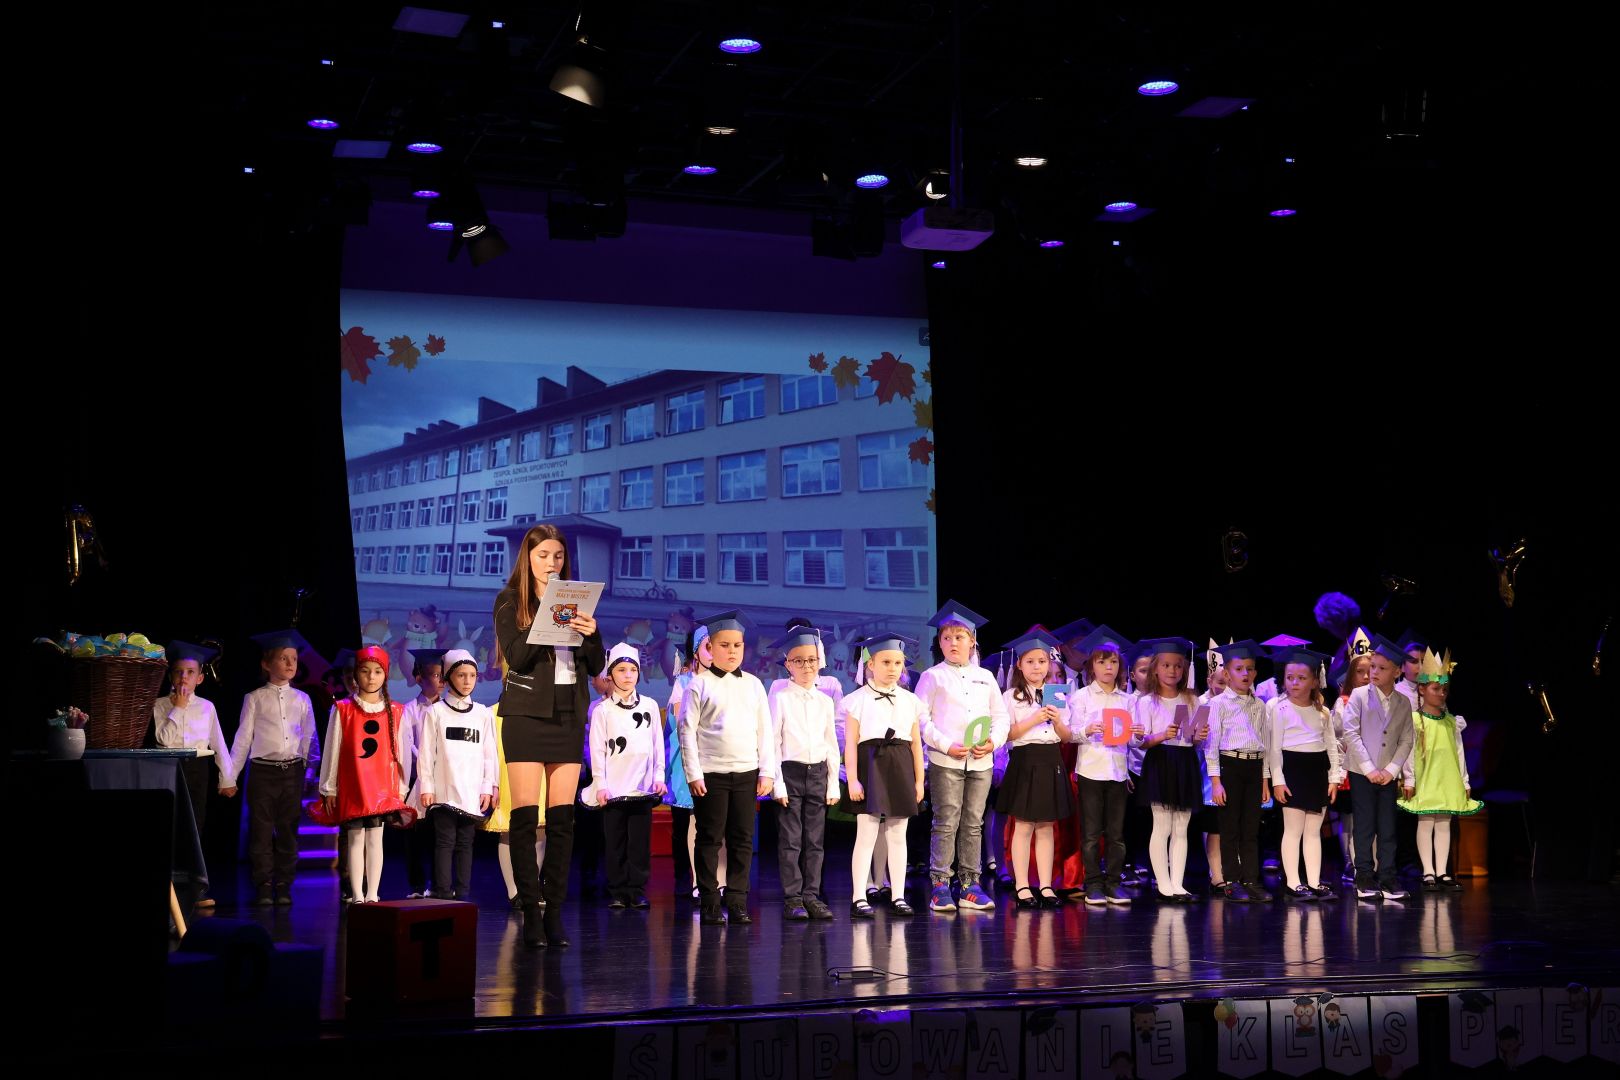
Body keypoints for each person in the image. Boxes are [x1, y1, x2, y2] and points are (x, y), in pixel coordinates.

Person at [493, 523, 605, 947]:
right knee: (525, 820)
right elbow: (518, 657)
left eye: (558, 556)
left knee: (562, 822)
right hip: (526, 715)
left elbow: (596, 666)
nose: (551, 563)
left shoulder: (575, 600)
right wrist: (547, 616)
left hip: (567, 715)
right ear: (528, 558)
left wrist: (591, 633)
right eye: (543, 556)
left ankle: (554, 912)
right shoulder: (510, 599)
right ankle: (530, 911)